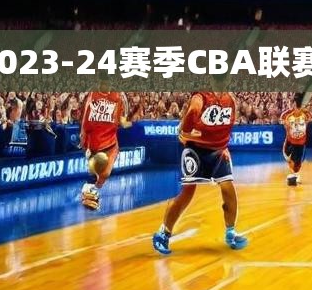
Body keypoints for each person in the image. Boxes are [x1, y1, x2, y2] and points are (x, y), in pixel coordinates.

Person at [152, 89, 246, 255]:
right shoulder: (201, 96)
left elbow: (227, 126)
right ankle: (163, 233)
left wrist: (223, 145)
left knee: (228, 187)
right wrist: (186, 130)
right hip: (196, 149)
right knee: (187, 192)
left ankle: (231, 232)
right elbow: (193, 111)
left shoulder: (229, 99)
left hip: (218, 151)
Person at [78, 89, 135, 210]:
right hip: (94, 141)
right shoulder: (92, 95)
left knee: (105, 174)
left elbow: (122, 121)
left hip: (110, 141)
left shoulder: (118, 96)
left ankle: (91, 189)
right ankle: (89, 190)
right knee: (97, 172)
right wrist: (84, 139)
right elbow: (85, 120)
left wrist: (129, 121)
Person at [280, 101, 310, 186]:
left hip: (301, 142)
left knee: (298, 160)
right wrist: (286, 125)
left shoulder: (306, 114)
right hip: (290, 140)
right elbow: (281, 120)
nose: (297, 108)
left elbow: (308, 121)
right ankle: (293, 173)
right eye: (296, 106)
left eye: (299, 107)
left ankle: (296, 174)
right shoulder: (287, 114)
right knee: (288, 157)